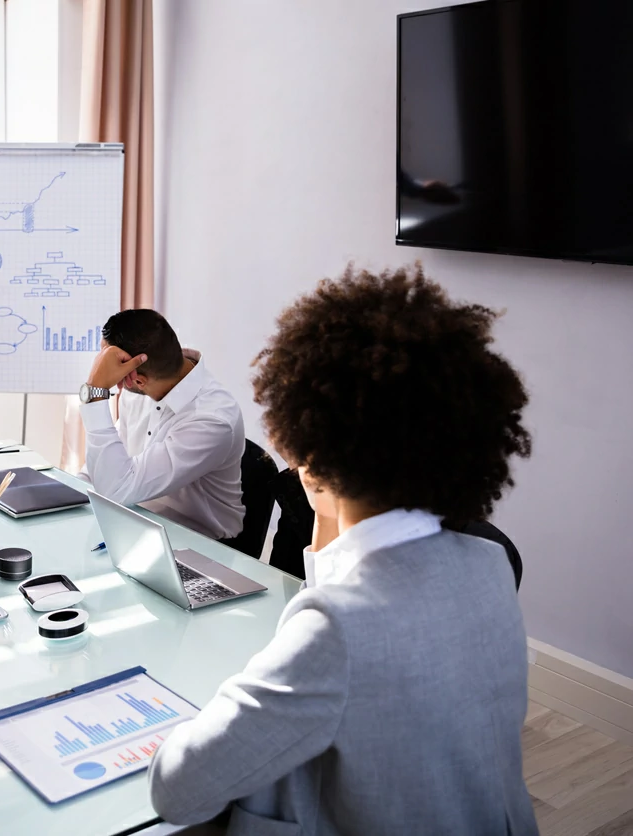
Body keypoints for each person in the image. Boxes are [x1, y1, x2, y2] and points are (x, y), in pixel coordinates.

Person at [147, 265, 537, 835]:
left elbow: (176, 790)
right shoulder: (488, 563)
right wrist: (327, 517)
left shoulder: (337, 628)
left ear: (307, 443)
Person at [77, 309, 245, 540]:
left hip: (198, 543)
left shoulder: (212, 421)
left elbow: (117, 488)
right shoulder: (139, 388)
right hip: (135, 519)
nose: (102, 368)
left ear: (137, 379)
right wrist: (71, 491)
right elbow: (111, 455)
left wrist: (94, 394)